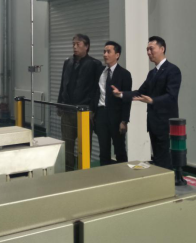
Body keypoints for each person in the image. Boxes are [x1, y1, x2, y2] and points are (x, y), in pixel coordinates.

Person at [112, 36, 182, 169]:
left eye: (151, 49)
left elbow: (171, 96)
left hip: (165, 123)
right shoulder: (152, 73)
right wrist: (121, 94)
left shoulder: (173, 70)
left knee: (165, 160)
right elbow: (140, 92)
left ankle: (168, 179)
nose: (149, 52)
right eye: (147, 50)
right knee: (157, 158)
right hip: (153, 123)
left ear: (162, 49)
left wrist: (152, 100)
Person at [57, 34, 102, 171]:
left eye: (78, 44)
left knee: (84, 145)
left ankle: (84, 173)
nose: (75, 47)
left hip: (84, 111)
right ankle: (68, 171)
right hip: (67, 110)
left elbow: (97, 90)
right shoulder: (68, 62)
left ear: (86, 46)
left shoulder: (94, 64)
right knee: (67, 144)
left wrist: (93, 110)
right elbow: (63, 84)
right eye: (73, 44)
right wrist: (60, 104)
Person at [95, 41, 132, 166]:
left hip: (116, 117)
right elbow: (96, 92)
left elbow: (127, 100)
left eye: (108, 52)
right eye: (104, 51)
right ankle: (104, 175)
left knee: (119, 150)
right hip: (101, 114)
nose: (105, 54)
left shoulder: (124, 74)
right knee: (103, 150)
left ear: (117, 55)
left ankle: (123, 174)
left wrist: (124, 121)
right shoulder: (100, 72)